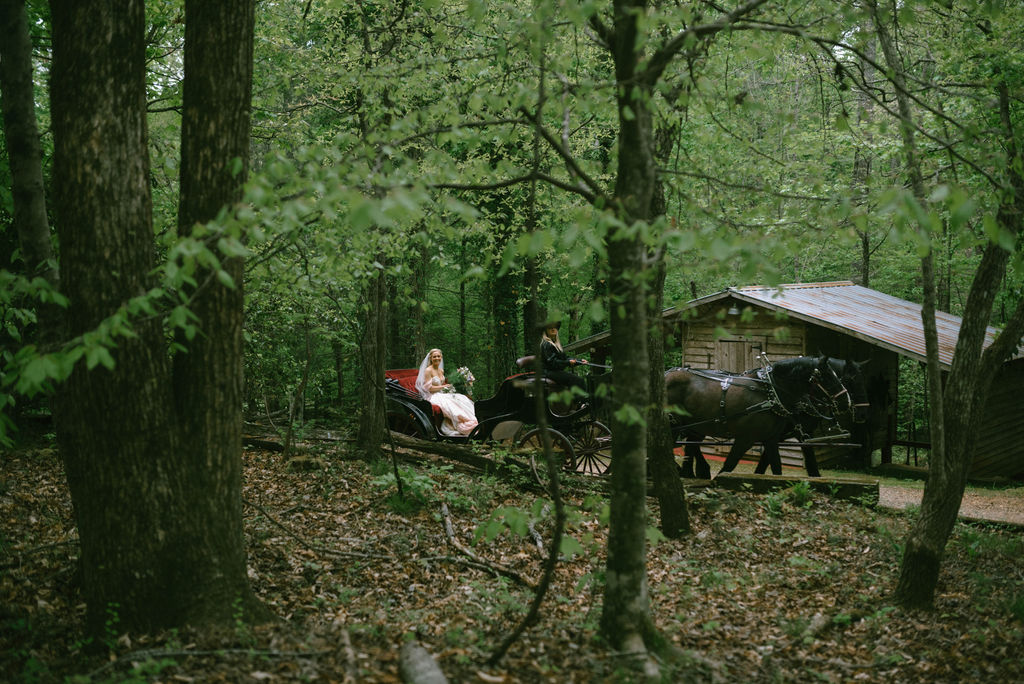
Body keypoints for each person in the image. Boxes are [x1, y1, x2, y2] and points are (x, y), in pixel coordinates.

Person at [415, 348, 478, 436]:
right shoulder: (428, 370)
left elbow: (443, 384)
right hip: (433, 396)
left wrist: (449, 388)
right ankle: (464, 426)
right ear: (431, 358)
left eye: (438, 356)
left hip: (442, 393)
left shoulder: (441, 370)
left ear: (441, 357)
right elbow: (429, 389)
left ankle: (473, 421)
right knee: (450, 404)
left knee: (462, 398)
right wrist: (444, 387)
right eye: (434, 357)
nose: (437, 358)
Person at [539, 321, 587, 395]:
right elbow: (552, 363)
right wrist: (568, 362)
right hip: (549, 372)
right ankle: (577, 403)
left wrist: (579, 361)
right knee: (577, 380)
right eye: (550, 328)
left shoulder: (556, 344)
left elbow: (565, 358)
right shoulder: (546, 344)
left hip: (556, 371)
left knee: (578, 379)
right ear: (546, 331)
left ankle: (576, 403)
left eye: (555, 327)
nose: (553, 329)